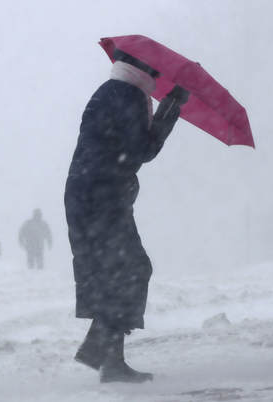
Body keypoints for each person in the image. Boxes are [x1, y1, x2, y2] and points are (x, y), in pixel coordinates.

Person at [64, 50, 189, 383]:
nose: (158, 79)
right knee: (131, 269)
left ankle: (108, 359)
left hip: (90, 196)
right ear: (142, 68)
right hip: (101, 198)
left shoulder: (111, 92)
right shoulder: (129, 95)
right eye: (156, 73)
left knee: (117, 273)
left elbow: (120, 149)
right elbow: (141, 152)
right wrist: (171, 107)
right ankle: (104, 354)